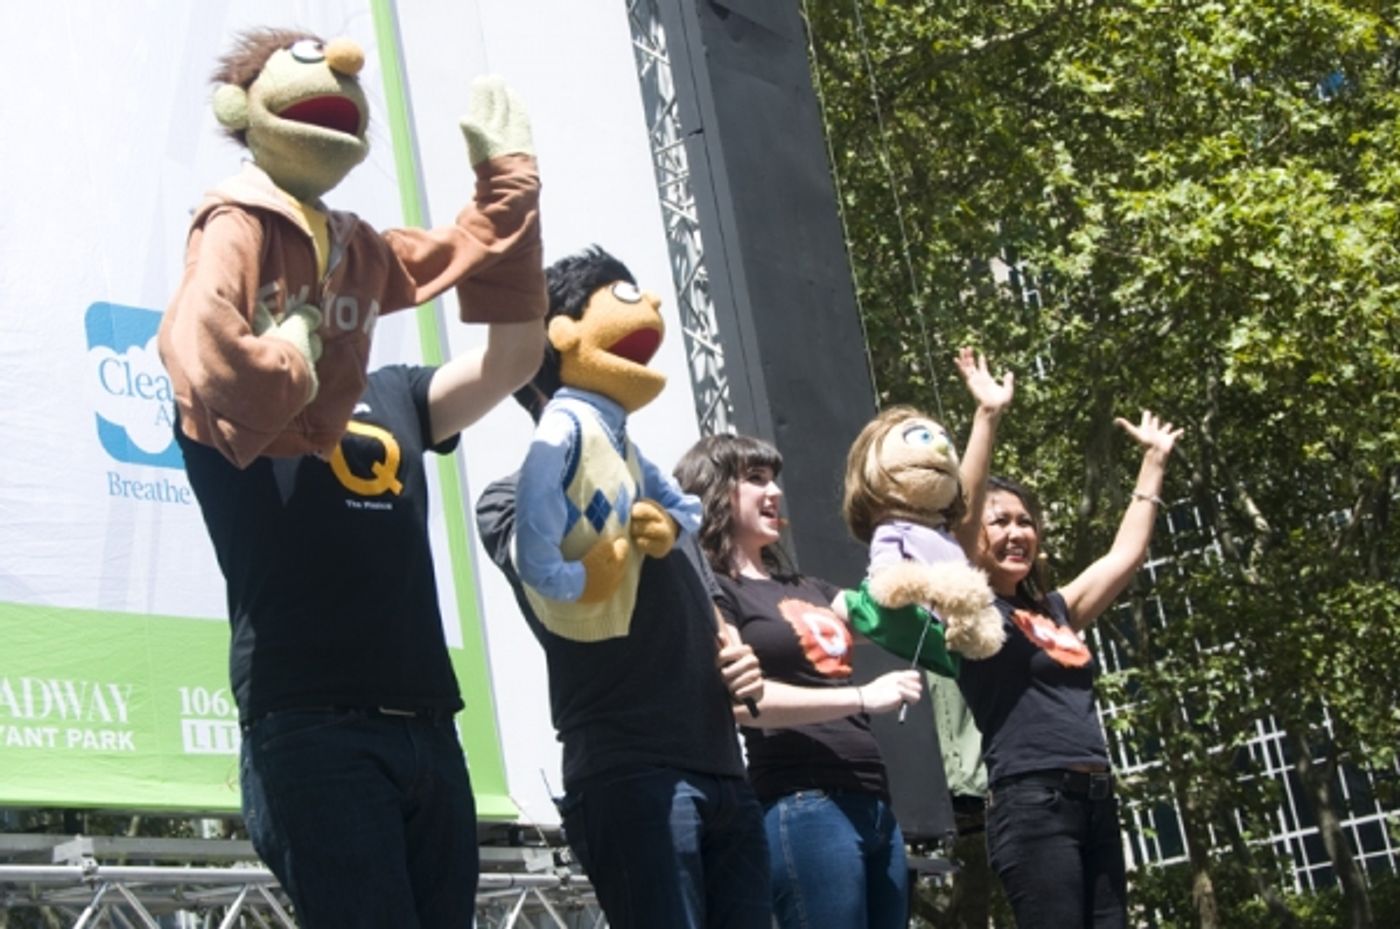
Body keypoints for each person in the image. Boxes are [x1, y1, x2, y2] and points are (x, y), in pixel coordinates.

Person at [178, 309, 544, 926]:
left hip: (427, 724)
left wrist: (514, 221)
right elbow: (201, 325)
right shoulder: (223, 396)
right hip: (313, 727)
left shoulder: (394, 388)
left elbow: (513, 360)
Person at [473, 246, 772, 929]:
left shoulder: (663, 499)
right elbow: (552, 571)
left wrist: (737, 656)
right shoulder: (506, 498)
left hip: (726, 770)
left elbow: (703, 619)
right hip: (634, 773)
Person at [674, 432, 923, 929]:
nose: (775, 493)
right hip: (803, 805)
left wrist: (914, 534)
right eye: (756, 480)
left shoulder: (807, 587)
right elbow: (742, 702)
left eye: (775, 480)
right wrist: (862, 696)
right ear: (716, 491)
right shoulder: (714, 589)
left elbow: (896, 618)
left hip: (875, 803)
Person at [960, 411, 1182, 929]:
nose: (1017, 533)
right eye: (1001, 522)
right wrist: (988, 415)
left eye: (1025, 522)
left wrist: (1153, 462)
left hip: (1097, 802)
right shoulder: (972, 610)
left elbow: (1125, 556)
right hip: (1033, 804)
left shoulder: (1055, 609)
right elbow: (961, 523)